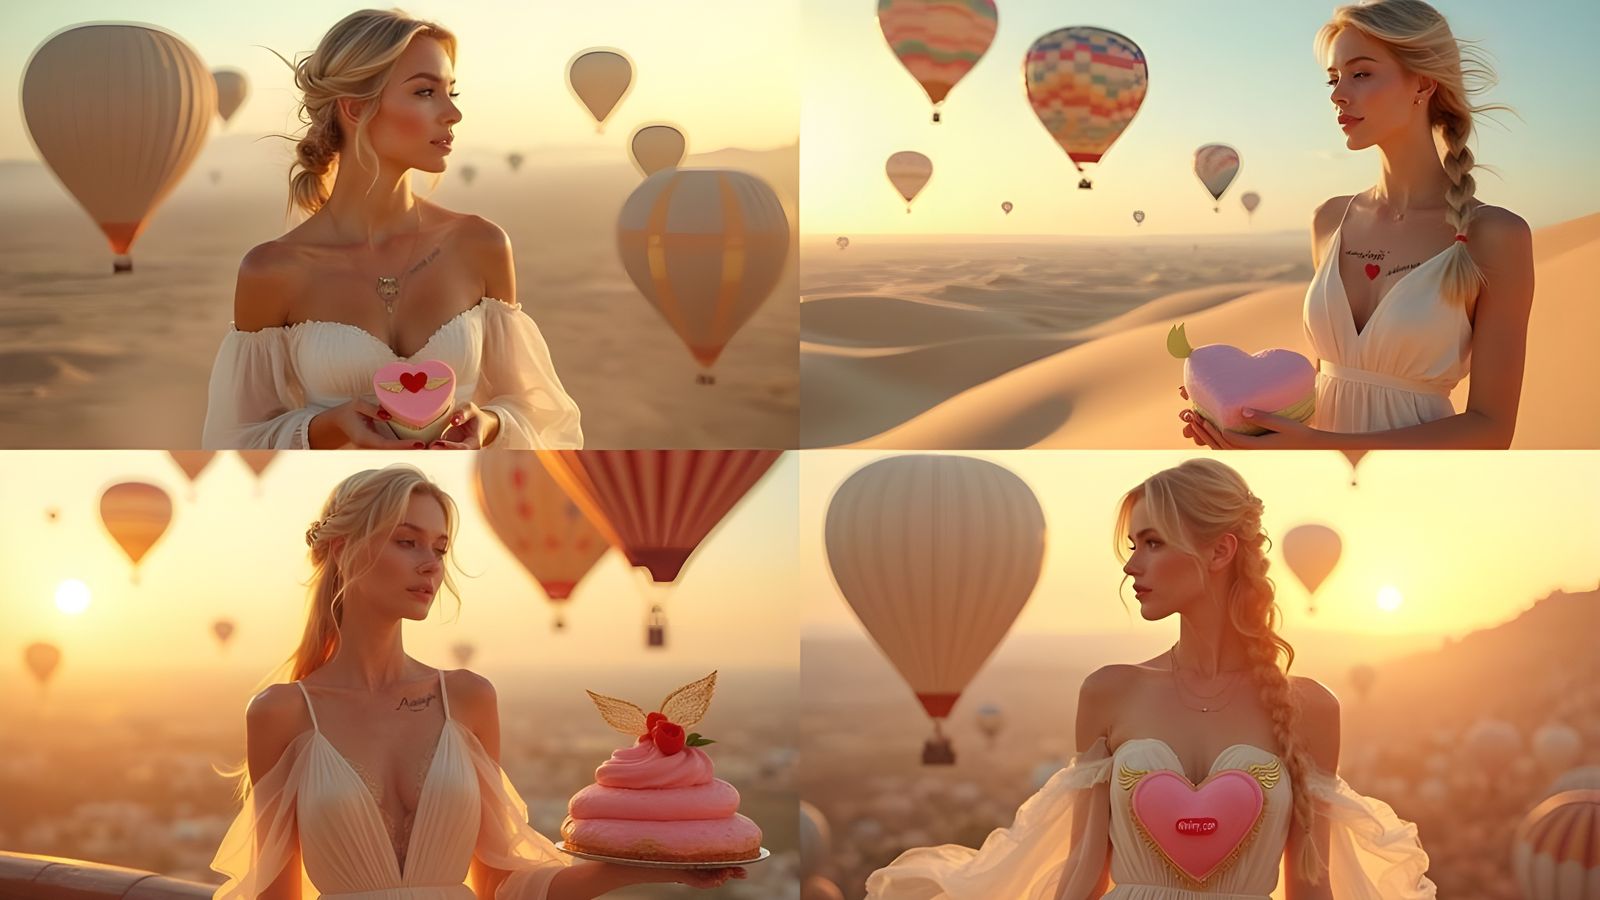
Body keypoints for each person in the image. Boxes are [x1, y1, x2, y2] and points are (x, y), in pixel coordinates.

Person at [863, 459, 1434, 899]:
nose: (1131, 564)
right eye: (1133, 545)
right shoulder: (1109, 692)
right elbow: (1084, 868)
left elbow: (1311, 883)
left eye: (1153, 543)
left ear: (1220, 551)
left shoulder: (1311, 707)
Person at [210, 465, 743, 899]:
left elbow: (501, 886)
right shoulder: (280, 713)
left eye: (440, 549)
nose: (431, 565)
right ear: (339, 549)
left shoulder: (468, 699)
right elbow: (273, 894)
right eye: (407, 541)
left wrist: (649, 864)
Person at [202, 10, 582, 450]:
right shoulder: (271, 270)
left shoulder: (481, 245)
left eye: (451, 92)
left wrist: (489, 423)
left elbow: (536, 411)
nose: (453, 113)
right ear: (355, 107)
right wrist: (332, 425)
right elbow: (236, 440)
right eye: (425, 92)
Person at [1180, 0, 1533, 451]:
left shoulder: (1495, 235)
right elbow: (1327, 386)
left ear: (1423, 82)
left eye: (1361, 73)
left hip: (1422, 483)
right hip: (1314, 478)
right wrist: (1239, 411)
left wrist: (1319, 445)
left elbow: (1492, 430)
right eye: (1333, 79)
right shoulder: (1329, 220)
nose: (1337, 95)